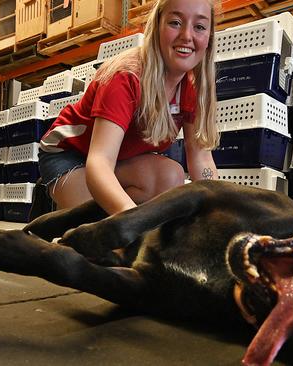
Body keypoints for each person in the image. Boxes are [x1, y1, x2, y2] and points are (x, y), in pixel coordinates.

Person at [34, 0, 219, 217]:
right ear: (157, 25)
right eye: (175, 22)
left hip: (118, 158)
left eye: (199, 26)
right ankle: (54, 197)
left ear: (209, 37)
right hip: (70, 155)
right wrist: (131, 221)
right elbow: (100, 162)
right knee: (95, 224)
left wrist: (218, 215)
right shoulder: (125, 77)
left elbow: (201, 159)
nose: (187, 36)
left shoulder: (194, 87)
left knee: (171, 176)